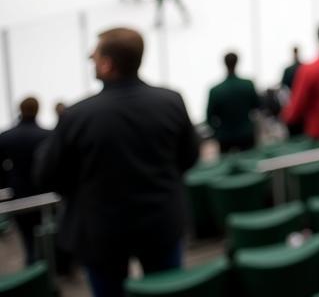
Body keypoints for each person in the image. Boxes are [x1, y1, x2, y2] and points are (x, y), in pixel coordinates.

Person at [34, 28, 199, 297]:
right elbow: (188, 157)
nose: (91, 58)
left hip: (101, 234)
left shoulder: (78, 115)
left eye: (95, 54)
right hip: (162, 224)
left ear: (107, 65)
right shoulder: (170, 101)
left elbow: (47, 174)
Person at [0, 96, 51, 266]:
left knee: (27, 238)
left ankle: (32, 264)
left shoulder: (6, 137)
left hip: (18, 192)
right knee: (46, 235)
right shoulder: (47, 135)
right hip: (44, 192)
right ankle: (45, 270)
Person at [206, 52, 260, 154]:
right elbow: (257, 106)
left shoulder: (216, 91)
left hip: (225, 138)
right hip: (246, 135)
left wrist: (218, 131)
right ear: (237, 62)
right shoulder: (248, 85)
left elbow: (209, 117)